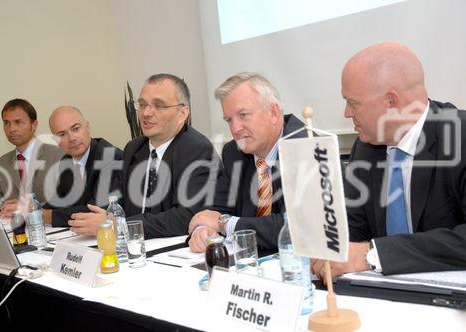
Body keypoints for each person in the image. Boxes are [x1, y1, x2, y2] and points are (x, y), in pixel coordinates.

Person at [311, 42, 466, 278]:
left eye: (353, 103)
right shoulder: (364, 148)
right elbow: (353, 232)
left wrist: (372, 255)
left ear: (391, 102)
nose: (347, 113)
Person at [69, 73, 221, 238]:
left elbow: (185, 217)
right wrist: (93, 217)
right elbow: (115, 199)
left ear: (182, 113)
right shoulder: (134, 148)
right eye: (142, 104)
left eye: (159, 105)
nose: (146, 113)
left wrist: (118, 226)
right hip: (133, 245)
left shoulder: (197, 150)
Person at [188, 72, 306, 253]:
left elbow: (294, 227)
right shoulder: (233, 152)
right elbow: (214, 211)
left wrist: (225, 224)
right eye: (229, 120)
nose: (235, 129)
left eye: (243, 115)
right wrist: (202, 230)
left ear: (273, 112)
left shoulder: (305, 147)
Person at [0, 99, 63, 219]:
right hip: (15, 233)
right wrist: (2, 213)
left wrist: (29, 209)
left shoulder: (59, 155)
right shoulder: (1, 163)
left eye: (18, 122)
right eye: (6, 123)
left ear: (34, 125)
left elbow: (68, 200)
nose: (11, 129)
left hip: (53, 231)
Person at [43, 106, 123, 227]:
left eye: (75, 129)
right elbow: (59, 201)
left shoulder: (110, 157)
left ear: (87, 126)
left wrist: (49, 216)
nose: (72, 138)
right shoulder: (67, 161)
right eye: (62, 134)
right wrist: (32, 211)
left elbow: (97, 211)